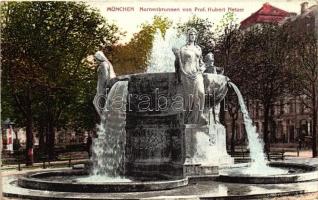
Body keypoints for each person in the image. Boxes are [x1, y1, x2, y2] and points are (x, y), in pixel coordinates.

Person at [173, 28, 207, 124]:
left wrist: (203, 68)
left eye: (194, 34)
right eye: (191, 34)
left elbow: (201, 62)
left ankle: (199, 115)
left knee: (201, 93)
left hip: (197, 74)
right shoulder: (183, 49)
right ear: (188, 36)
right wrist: (178, 75)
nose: (193, 36)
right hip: (186, 74)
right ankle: (188, 118)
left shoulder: (198, 49)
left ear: (196, 36)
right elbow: (178, 63)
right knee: (189, 98)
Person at [93, 50, 116, 117]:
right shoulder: (106, 64)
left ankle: (104, 118)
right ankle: (104, 118)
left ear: (99, 58)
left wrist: (103, 88)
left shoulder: (103, 65)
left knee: (97, 103)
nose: (95, 60)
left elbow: (105, 77)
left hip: (103, 87)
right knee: (97, 103)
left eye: (96, 59)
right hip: (102, 86)